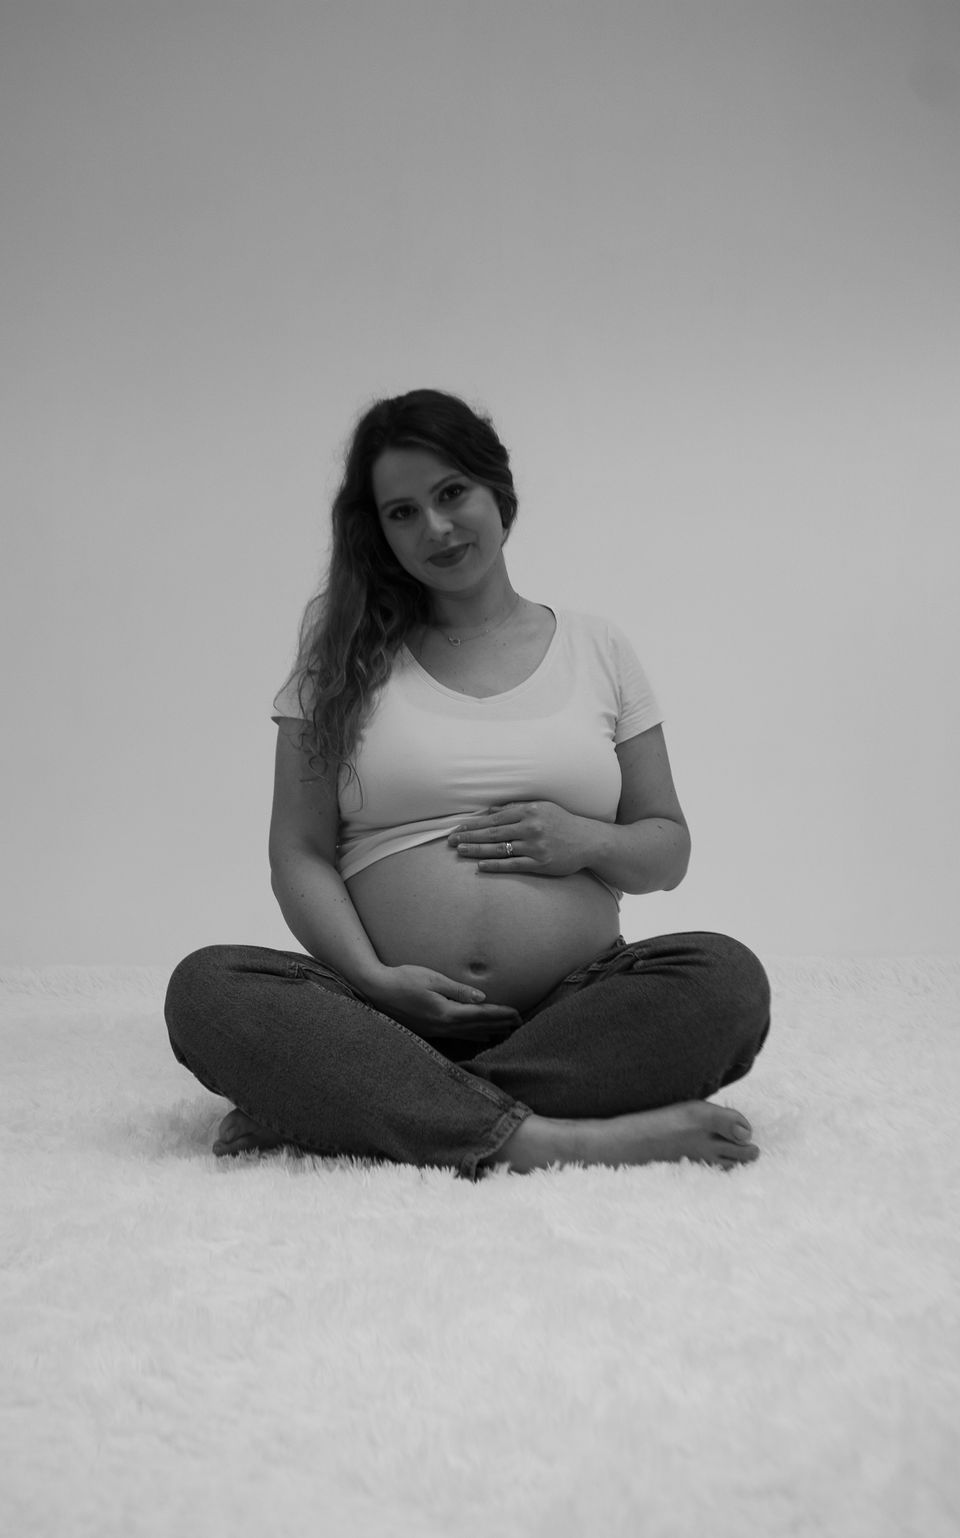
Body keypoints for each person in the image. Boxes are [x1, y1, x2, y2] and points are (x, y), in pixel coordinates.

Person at [164, 388, 770, 1182]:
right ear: (376, 531)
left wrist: (585, 839)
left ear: (497, 490)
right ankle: (550, 1139)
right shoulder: (340, 654)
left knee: (724, 980)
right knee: (208, 989)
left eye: (452, 494)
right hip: (378, 1013)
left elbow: (667, 850)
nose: (436, 529)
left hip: (573, 1008)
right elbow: (299, 851)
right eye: (402, 512)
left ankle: (352, 1111)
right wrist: (374, 978)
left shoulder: (598, 647)